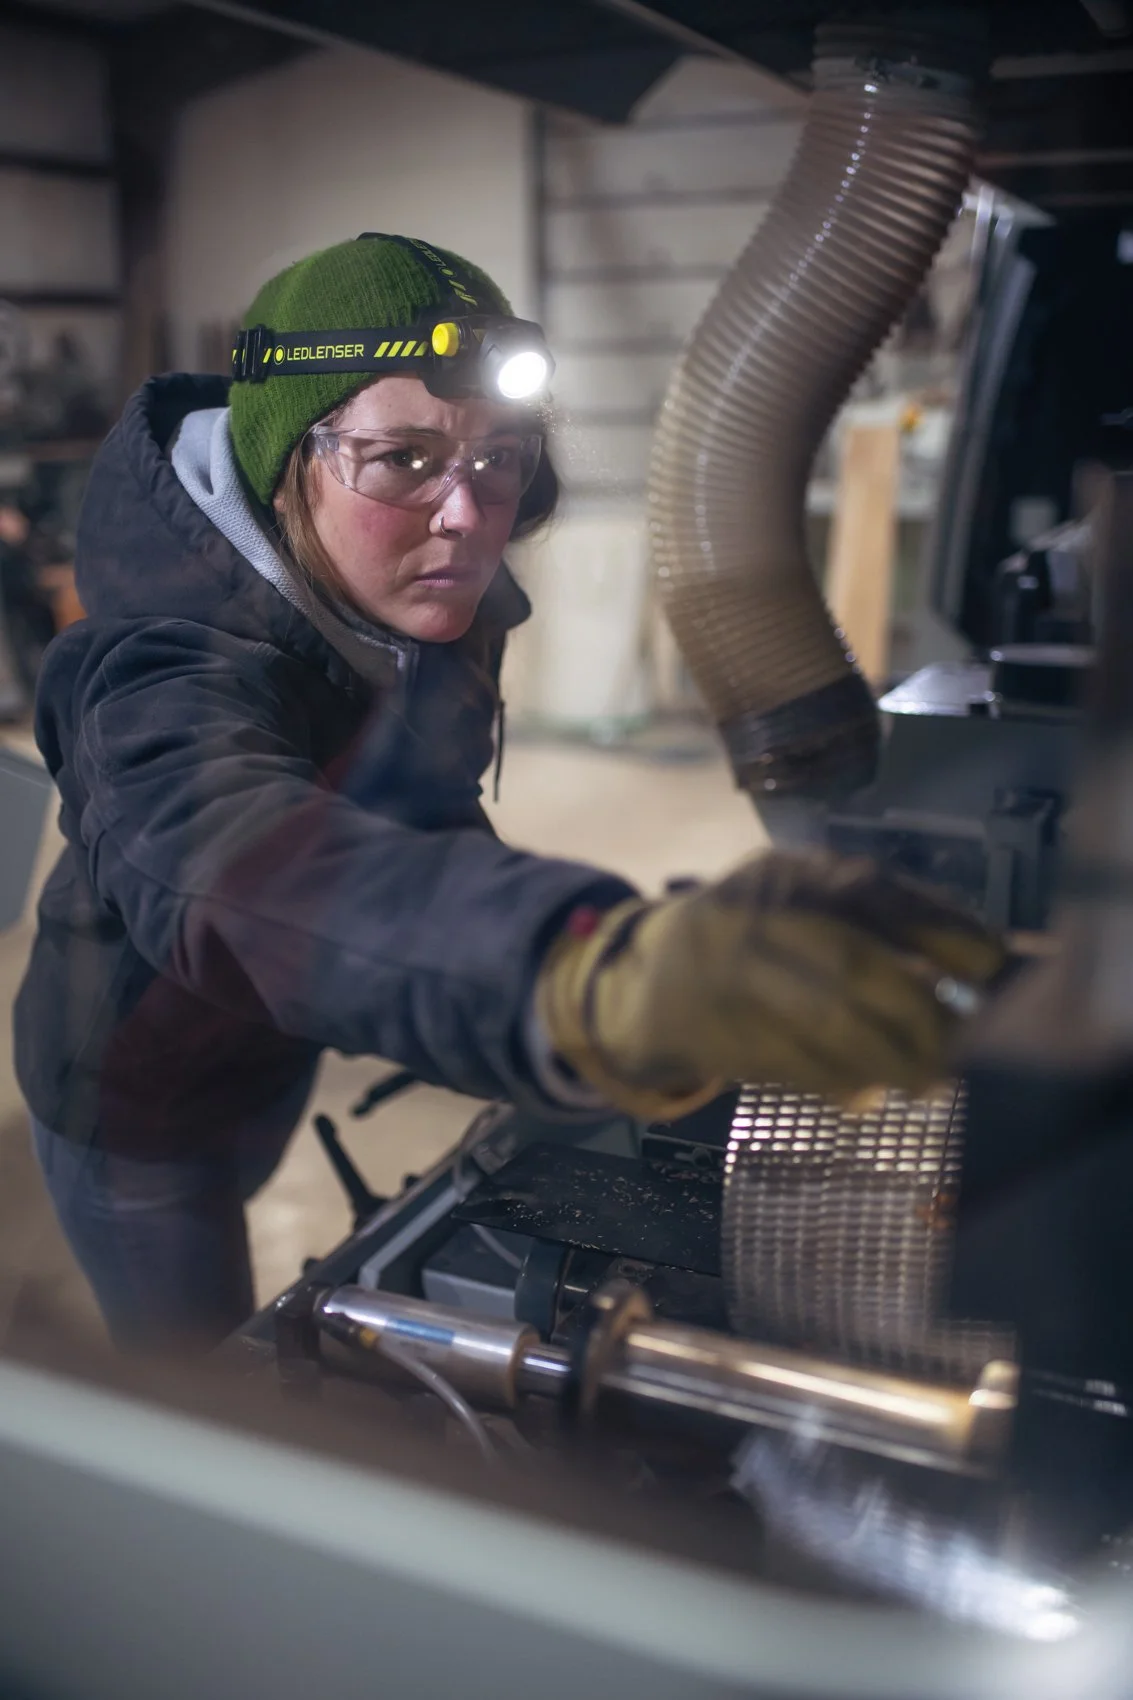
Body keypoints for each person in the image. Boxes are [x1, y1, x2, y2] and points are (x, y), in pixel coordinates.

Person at [13, 234, 1001, 1352]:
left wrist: (570, 951)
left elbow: (419, 828)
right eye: (402, 459)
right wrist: (575, 973)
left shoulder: (410, 608)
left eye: (501, 459)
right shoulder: (159, 673)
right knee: (200, 1375)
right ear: (288, 458)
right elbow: (235, 872)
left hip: (269, 1034)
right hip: (135, 1099)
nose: (467, 515)